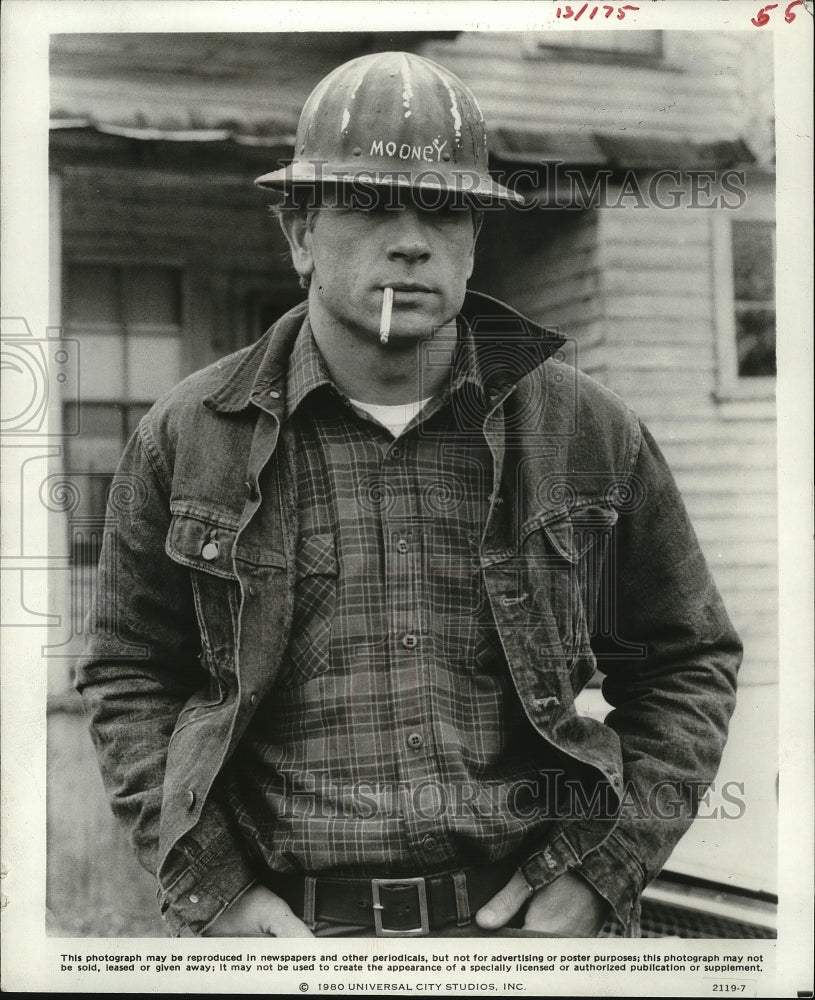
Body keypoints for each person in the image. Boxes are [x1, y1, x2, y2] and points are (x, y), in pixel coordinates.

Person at [76, 51, 742, 939]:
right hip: (287, 939)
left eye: (444, 207)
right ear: (299, 235)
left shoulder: (586, 430)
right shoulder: (190, 437)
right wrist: (215, 890)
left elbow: (686, 659)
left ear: (474, 238)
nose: (411, 239)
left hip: (524, 931)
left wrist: (599, 871)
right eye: (366, 204)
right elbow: (129, 674)